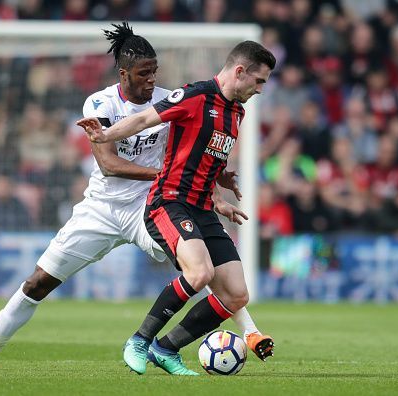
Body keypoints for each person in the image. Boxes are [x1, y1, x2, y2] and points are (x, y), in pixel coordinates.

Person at [0, 23, 273, 371]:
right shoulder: (99, 102)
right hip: (101, 208)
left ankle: (244, 332)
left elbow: (193, 152)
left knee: (200, 268)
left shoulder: (172, 99)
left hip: (150, 204)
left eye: (155, 71)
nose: (152, 79)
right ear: (124, 73)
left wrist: (209, 188)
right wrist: (175, 177)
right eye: (144, 73)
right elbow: (109, 164)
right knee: (38, 282)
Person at [79, 40, 276, 375]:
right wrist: (105, 135)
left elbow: (205, 158)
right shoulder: (196, 96)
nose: (259, 90)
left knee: (236, 296)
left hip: (202, 207)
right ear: (240, 72)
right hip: (169, 201)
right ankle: (139, 340)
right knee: (200, 274)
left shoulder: (237, 112)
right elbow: (143, 120)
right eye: (259, 81)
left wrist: (218, 196)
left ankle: (166, 348)